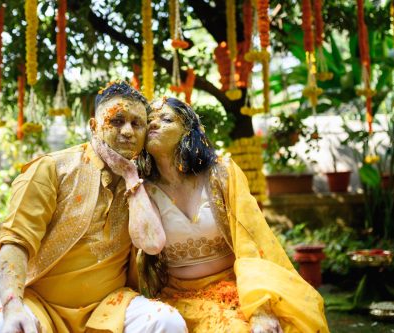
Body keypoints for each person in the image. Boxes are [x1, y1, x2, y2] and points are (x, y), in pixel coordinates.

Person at [0, 82, 187, 333]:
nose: (127, 131)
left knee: (167, 321)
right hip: (39, 303)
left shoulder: (142, 182)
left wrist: (131, 177)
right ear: (93, 126)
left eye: (137, 123)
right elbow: (15, 245)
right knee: (5, 327)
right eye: (116, 121)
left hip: (109, 307)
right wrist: (13, 306)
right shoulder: (53, 170)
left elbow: (153, 243)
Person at [129, 97, 329, 332]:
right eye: (149, 120)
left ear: (188, 131)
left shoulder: (221, 174)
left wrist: (259, 309)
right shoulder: (140, 188)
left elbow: (251, 243)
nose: (153, 124)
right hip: (176, 299)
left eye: (166, 119)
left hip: (238, 290)